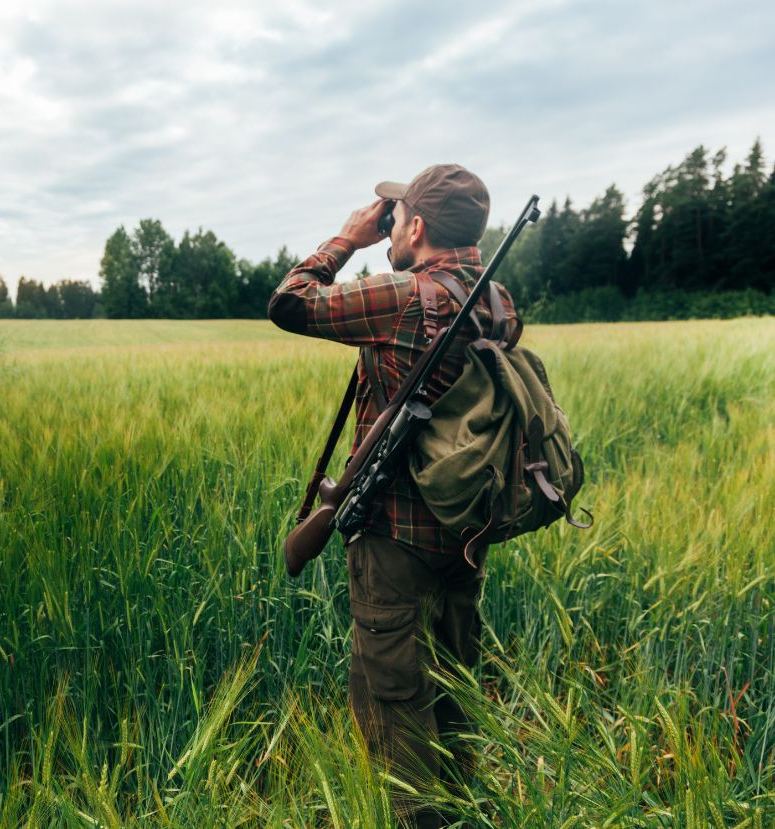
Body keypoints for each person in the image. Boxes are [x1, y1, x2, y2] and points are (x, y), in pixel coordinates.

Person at [268, 163, 499, 828]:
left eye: (396, 215)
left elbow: (289, 300)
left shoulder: (402, 295)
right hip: (463, 534)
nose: (389, 223)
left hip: (393, 538)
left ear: (417, 225)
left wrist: (347, 238)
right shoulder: (493, 298)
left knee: (396, 718)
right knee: (453, 699)